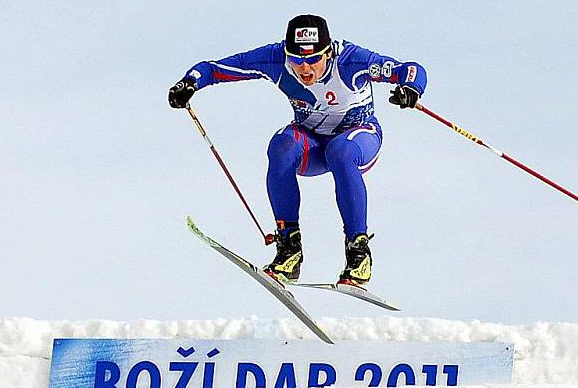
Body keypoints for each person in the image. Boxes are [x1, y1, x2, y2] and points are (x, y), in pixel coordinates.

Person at [169, 15, 427, 287]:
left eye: (313, 59)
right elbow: (213, 69)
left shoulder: (351, 60)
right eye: (297, 59)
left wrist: (411, 89)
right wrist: (189, 83)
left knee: (340, 152)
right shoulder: (276, 59)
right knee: (281, 146)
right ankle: (289, 249)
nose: (305, 68)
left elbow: (410, 69)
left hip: (359, 137)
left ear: (328, 53)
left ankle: (358, 252)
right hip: (312, 143)